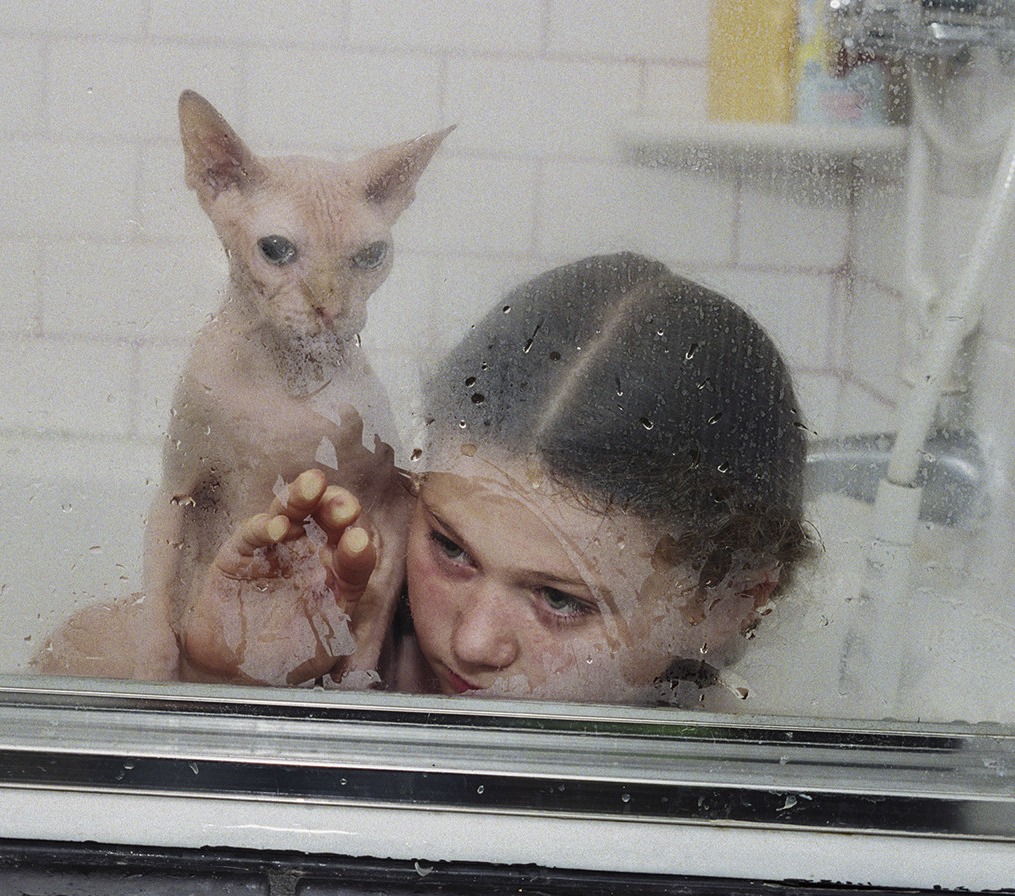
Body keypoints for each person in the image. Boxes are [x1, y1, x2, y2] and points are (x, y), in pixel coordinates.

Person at [175, 253, 813, 705]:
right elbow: (82, 654)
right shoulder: (334, 644)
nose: (473, 642)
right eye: (450, 548)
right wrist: (226, 678)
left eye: (560, 600)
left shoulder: (743, 780)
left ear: (726, 606)